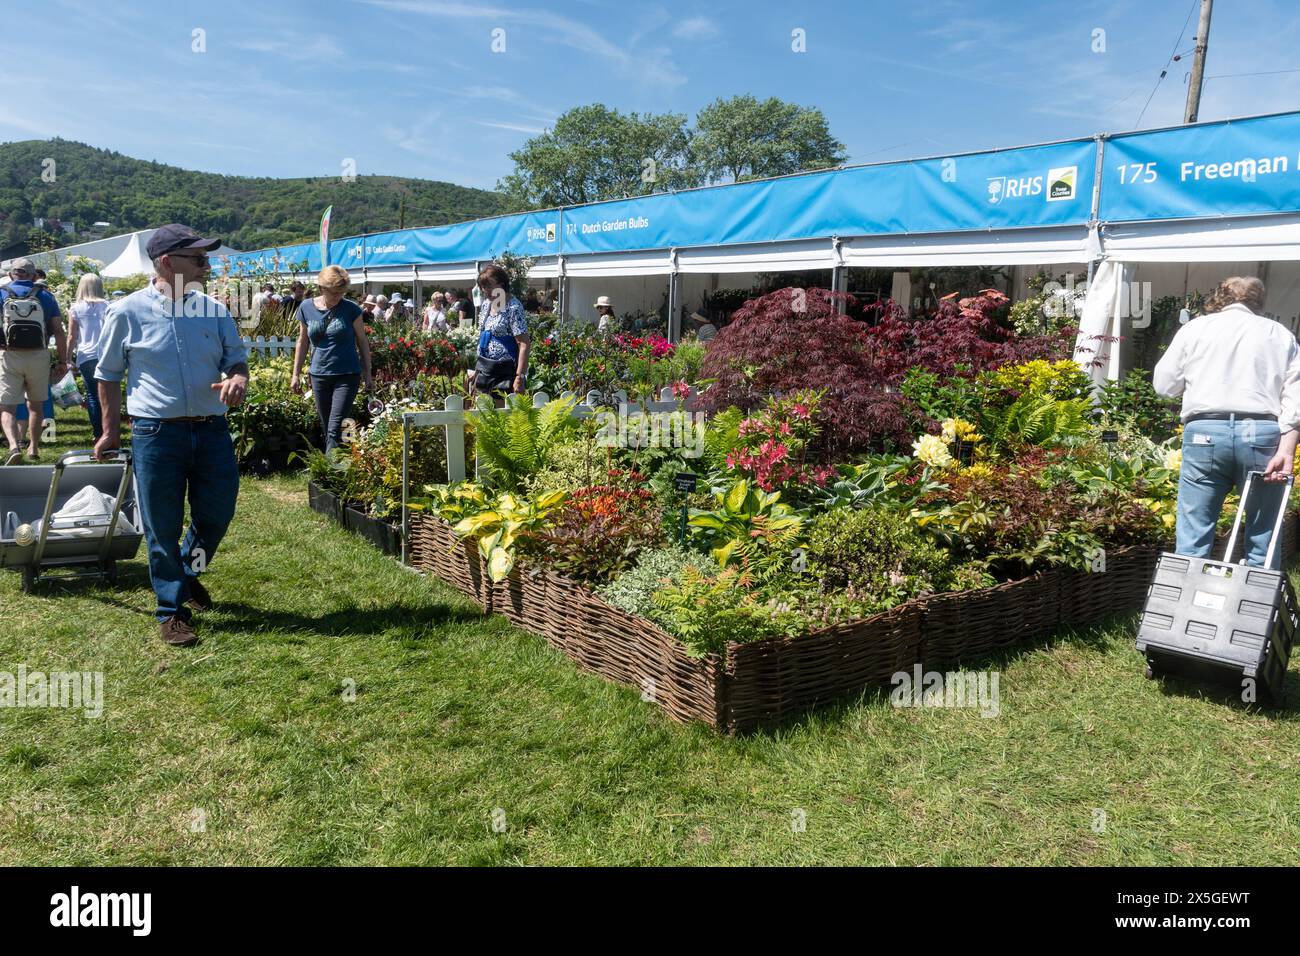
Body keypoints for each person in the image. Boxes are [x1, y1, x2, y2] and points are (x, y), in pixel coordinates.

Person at [93, 224, 250, 647]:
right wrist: (109, 430)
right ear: (167, 263)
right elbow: (106, 376)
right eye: (197, 258)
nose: (206, 265)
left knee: (216, 516)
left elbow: (236, 360)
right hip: (156, 434)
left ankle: (184, 575)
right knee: (162, 525)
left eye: (205, 258)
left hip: (212, 430)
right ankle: (172, 611)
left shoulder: (214, 311)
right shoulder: (126, 311)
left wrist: (237, 378)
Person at [1154, 276, 1300, 570]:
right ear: (1258, 302)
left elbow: (1164, 385)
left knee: (1193, 536)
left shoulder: (1195, 329)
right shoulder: (1279, 333)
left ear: (1220, 297)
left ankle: (1187, 610)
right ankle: (1256, 609)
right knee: (1264, 535)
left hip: (1205, 432)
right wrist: (1287, 449)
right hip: (1261, 434)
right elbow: (1295, 395)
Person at [290, 265, 373, 455]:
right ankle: (349, 460)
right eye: (334, 293)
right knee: (329, 426)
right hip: (319, 375)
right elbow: (302, 341)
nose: (338, 298)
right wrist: (295, 374)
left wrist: (368, 374)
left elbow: (362, 341)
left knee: (335, 426)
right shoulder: (306, 308)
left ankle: (330, 473)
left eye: (341, 293)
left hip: (347, 374)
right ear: (321, 289)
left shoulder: (351, 309)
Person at [0, 257, 68, 463]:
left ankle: (13, 445)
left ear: (12, 274)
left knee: (7, 407)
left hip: (9, 355)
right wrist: (63, 361)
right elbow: (59, 331)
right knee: (36, 406)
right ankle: (34, 447)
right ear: (33, 275)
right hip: (39, 354)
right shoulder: (45, 296)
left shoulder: (2, 294)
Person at [468, 263, 529, 403]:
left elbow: (524, 344)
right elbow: (484, 338)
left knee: (502, 418)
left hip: (504, 373)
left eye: (489, 286)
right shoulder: (486, 305)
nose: (485, 291)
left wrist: (519, 377)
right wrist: (477, 370)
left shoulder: (513, 307)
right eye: (483, 287)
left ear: (501, 285)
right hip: (484, 370)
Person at [67, 272, 109, 441]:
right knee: (109, 394)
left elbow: (72, 336)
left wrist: (67, 358)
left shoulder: (76, 308)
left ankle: (98, 432)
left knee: (92, 395)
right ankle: (110, 429)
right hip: (106, 354)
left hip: (86, 355)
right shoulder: (108, 305)